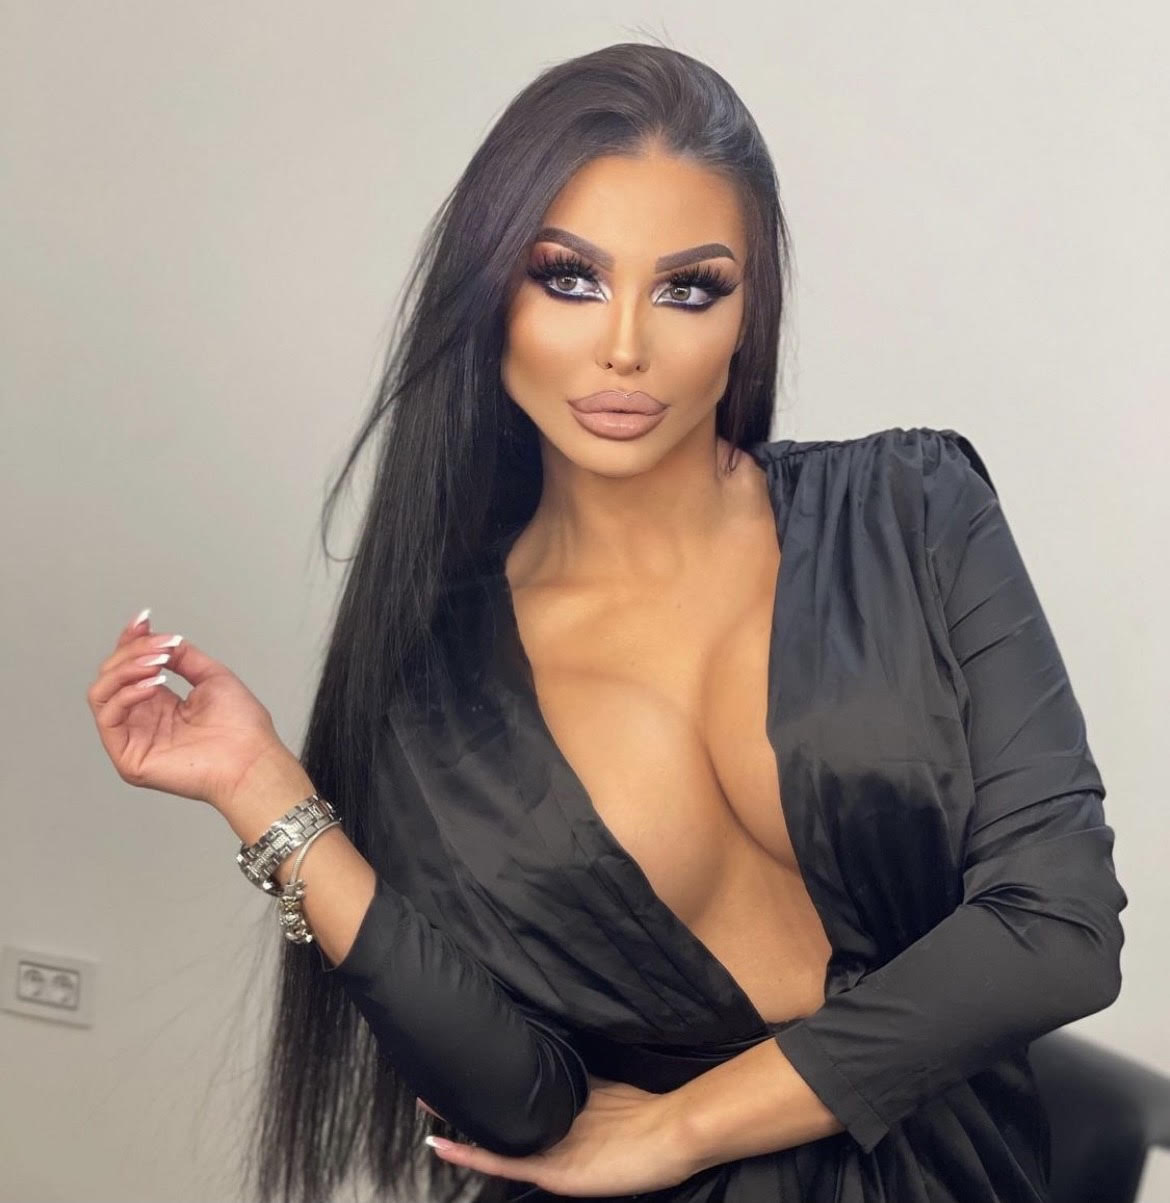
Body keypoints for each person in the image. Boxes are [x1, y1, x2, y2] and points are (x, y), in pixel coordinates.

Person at [87, 40, 1127, 1203]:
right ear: (492, 294)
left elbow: (1063, 931)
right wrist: (262, 792)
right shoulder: (440, 684)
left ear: (747, 312)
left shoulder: (912, 509)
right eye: (569, 278)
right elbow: (517, 1101)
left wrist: (687, 1128)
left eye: (689, 287)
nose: (625, 345)